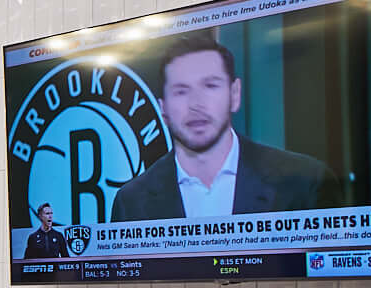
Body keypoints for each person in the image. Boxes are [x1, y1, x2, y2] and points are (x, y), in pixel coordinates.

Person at [111, 35, 335, 221]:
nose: (196, 104)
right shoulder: (131, 202)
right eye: (181, 91)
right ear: (163, 109)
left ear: (234, 94)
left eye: (210, 86)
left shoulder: (305, 182)